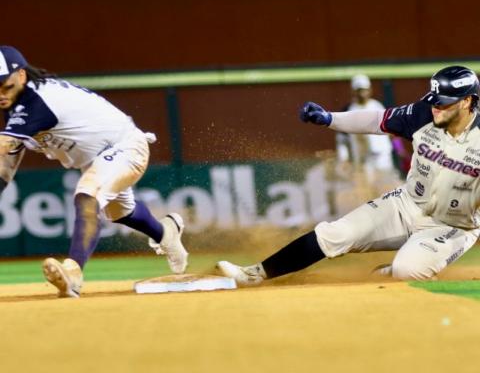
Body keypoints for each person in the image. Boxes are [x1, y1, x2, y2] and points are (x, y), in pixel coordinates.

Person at [218, 65, 480, 284]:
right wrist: (330, 118)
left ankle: (398, 271)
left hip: (452, 226)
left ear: (468, 101)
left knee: (407, 271)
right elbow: (376, 120)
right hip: (406, 204)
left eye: (444, 103)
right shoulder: (424, 112)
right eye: (434, 100)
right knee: (335, 234)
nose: (435, 108)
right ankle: (255, 273)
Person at [0, 46, 188, 298]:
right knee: (120, 212)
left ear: (21, 75)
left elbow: (5, 146)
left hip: (126, 146)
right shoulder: (16, 102)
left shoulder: (37, 101)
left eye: (5, 85)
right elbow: (8, 162)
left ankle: (73, 272)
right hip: (97, 158)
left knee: (87, 194)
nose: (0, 93)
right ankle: (166, 232)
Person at [335, 74, 396, 197]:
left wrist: (397, 146)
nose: (362, 94)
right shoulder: (348, 109)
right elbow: (342, 139)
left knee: (386, 186)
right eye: (359, 90)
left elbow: (391, 130)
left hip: (382, 154)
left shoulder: (377, 106)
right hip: (363, 158)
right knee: (368, 189)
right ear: (353, 92)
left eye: (364, 90)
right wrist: (344, 158)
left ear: (370, 90)